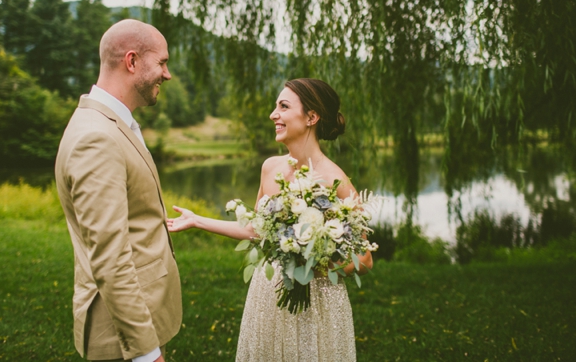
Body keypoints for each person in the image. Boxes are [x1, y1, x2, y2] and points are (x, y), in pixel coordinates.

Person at [167, 78, 373, 362]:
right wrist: (197, 220)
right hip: (269, 292)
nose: (273, 114)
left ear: (311, 117)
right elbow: (255, 229)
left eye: (283, 106)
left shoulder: (337, 181)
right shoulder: (270, 168)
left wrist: (312, 263)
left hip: (318, 303)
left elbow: (363, 260)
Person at [55, 19, 181, 362]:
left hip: (139, 317)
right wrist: (145, 352)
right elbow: (110, 256)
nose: (167, 74)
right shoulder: (96, 138)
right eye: (162, 62)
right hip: (121, 338)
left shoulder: (113, 123)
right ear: (132, 62)